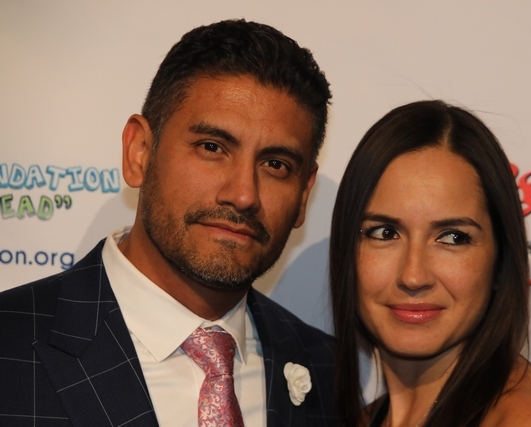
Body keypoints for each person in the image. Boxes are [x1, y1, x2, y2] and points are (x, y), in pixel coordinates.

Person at [0, 19, 341, 427]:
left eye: (275, 164)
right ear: (140, 152)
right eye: (212, 147)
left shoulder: (328, 372)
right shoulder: (9, 343)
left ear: (303, 195)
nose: (243, 194)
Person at [330, 100, 531, 427]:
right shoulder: (366, 418)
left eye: (453, 238)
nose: (413, 276)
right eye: (385, 233)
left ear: (500, 260)